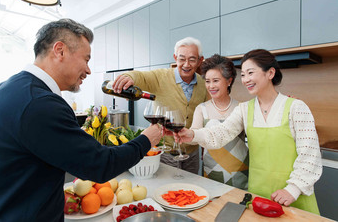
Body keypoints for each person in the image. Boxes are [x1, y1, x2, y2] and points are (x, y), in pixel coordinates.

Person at [0, 19, 162, 221]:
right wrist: (147, 139)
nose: (89, 70)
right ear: (60, 51)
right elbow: (101, 165)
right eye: (86, 59)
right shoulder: (41, 104)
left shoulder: (7, 88)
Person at [176, 49, 322, 214]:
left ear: (270, 73)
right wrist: (192, 134)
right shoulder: (244, 109)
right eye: (243, 75)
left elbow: (310, 155)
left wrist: (293, 189)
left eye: (250, 73)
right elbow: (221, 133)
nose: (245, 80)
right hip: (257, 193)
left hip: (293, 196)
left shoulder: (296, 107)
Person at [112, 37, 208, 174]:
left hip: (191, 152)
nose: (186, 64)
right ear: (175, 58)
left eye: (192, 59)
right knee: (167, 189)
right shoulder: (160, 77)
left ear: (200, 60)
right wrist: (129, 77)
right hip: (166, 151)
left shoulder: (204, 83)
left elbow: (205, 118)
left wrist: (204, 150)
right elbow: (141, 77)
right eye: (181, 59)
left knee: (190, 189)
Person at [190, 54, 248, 189]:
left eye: (215, 80)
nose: (211, 86)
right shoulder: (201, 109)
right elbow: (194, 137)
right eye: (207, 81)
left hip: (241, 172)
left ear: (229, 81)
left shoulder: (242, 108)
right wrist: (181, 133)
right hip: (212, 172)